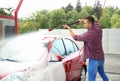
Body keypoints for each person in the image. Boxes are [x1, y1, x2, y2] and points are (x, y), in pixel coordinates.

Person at [63, 16, 109, 81]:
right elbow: (93, 20)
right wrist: (82, 20)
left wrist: (68, 28)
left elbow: (75, 37)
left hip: (94, 60)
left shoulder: (88, 35)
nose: (83, 24)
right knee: (102, 74)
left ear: (90, 24)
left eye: (85, 23)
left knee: (91, 79)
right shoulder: (97, 27)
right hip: (101, 58)